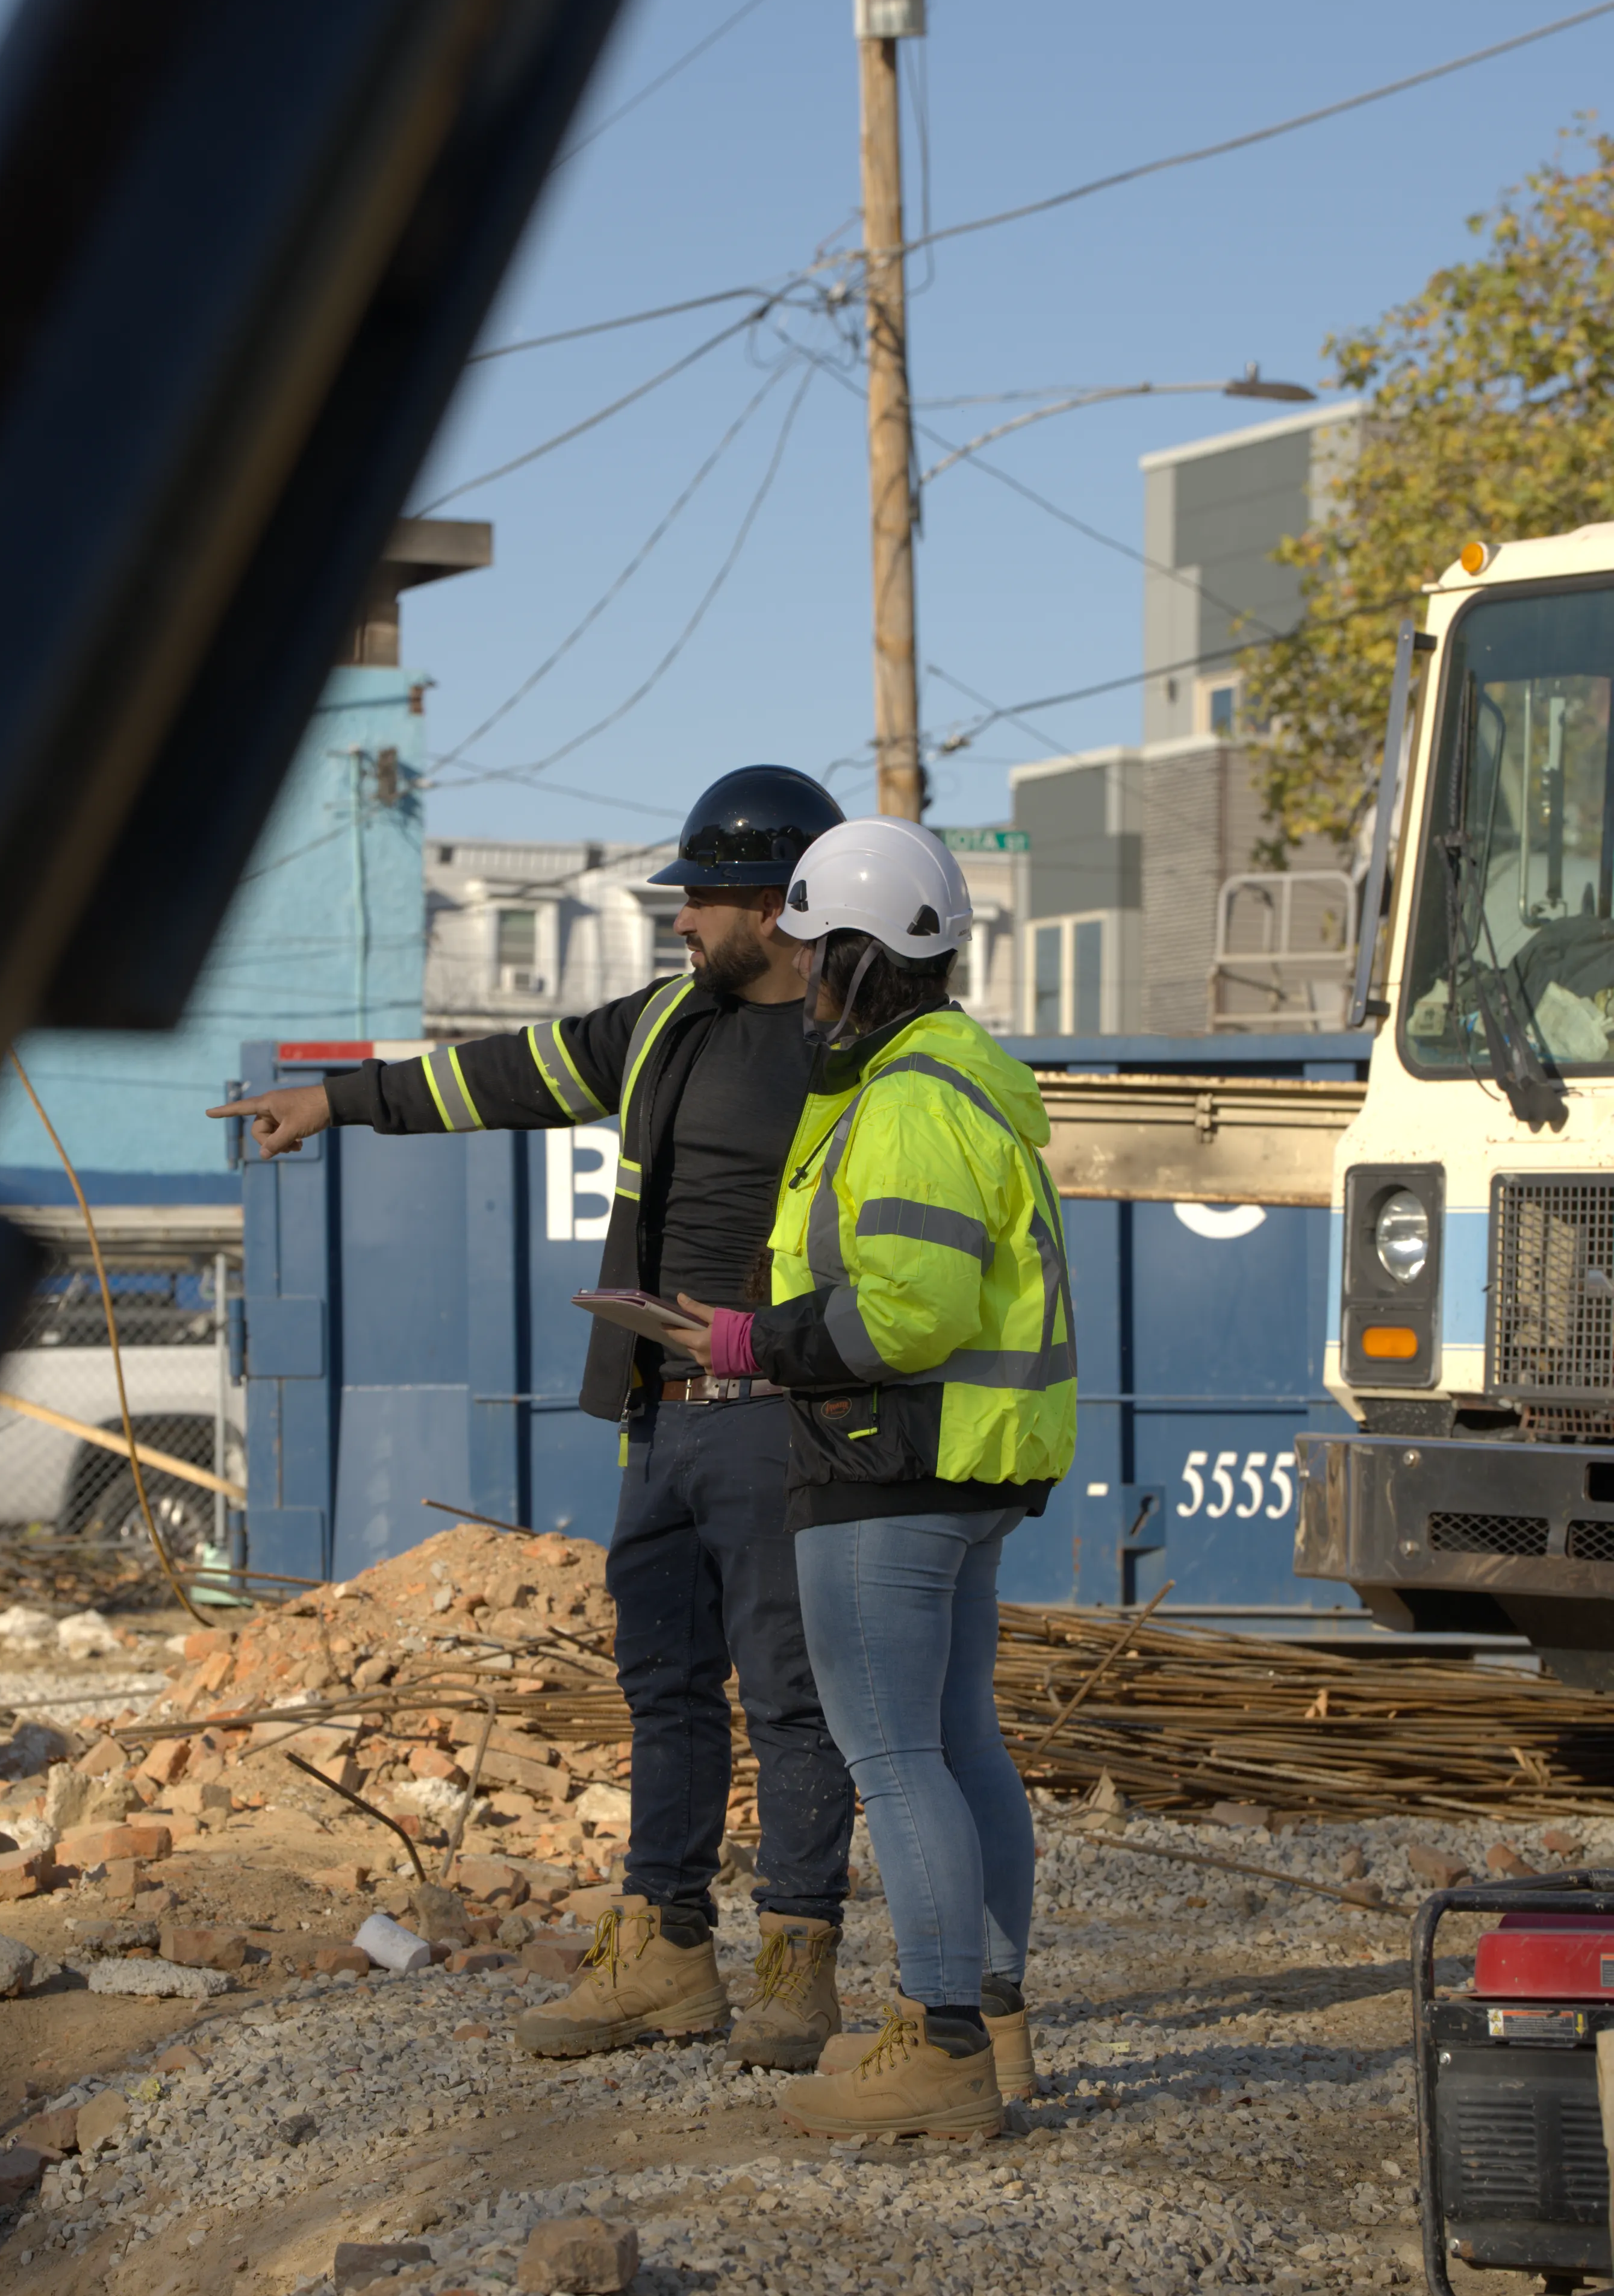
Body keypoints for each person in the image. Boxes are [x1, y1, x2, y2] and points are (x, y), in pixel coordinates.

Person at [208, 766, 856, 2070]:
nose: (679, 919)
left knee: (791, 1698)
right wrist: (336, 1100)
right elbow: (508, 1074)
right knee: (664, 1685)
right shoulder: (667, 1022)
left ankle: (799, 1967)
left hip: (785, 1418)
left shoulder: (855, 1047)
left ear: (781, 903)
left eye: (704, 899)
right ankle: (665, 1952)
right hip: (662, 1414)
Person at [670, 815, 1077, 2141]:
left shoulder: (902, 1101)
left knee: (894, 1755)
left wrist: (745, 1343)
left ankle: (938, 2041)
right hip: (961, 1469)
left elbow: (906, 1314)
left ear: (854, 955)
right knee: (961, 1743)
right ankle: (995, 2033)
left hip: (883, 1459)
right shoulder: (970, 1085)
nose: (796, 977)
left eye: (808, 948)